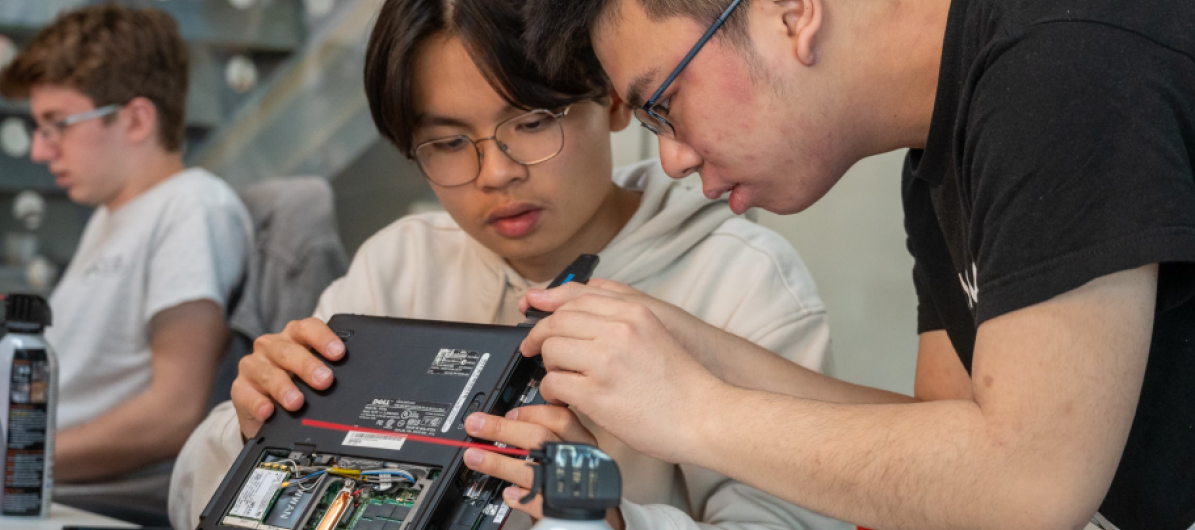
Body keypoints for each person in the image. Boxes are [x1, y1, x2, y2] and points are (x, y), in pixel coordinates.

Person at [512, 0, 1195, 528]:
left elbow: (1027, 487)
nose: (672, 157)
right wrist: (691, 348)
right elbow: (945, 458)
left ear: (791, 11)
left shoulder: (1066, 65)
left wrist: (690, 411)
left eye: (662, 101)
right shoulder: (941, 151)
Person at [166, 0, 867, 528]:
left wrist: (601, 514)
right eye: (446, 142)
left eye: (531, 123)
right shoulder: (402, 264)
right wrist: (255, 424)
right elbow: (190, 494)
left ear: (614, 100)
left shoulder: (741, 281)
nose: (494, 173)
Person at [0, 4, 252, 500]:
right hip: (34, 478)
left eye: (57, 124)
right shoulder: (111, 217)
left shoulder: (192, 207)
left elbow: (174, 413)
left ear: (135, 120)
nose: (39, 150)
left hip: (87, 498)